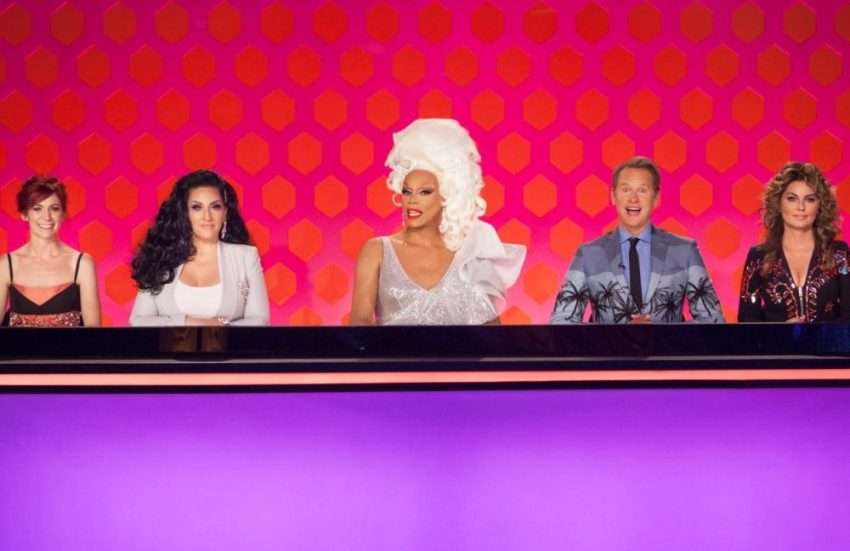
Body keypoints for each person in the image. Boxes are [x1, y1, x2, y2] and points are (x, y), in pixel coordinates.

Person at [350, 118, 526, 325]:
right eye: (407, 191)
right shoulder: (377, 251)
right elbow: (359, 327)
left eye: (424, 192)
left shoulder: (471, 252)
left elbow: (492, 332)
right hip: (391, 349)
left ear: (445, 195)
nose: (412, 200)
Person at [550, 156, 724, 324]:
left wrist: (661, 335)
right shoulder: (588, 254)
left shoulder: (685, 250)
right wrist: (617, 336)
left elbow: (713, 320)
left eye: (642, 190)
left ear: (656, 197)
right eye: (626, 190)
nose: (633, 199)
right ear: (613, 196)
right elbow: (561, 322)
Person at [130, 170, 269, 326]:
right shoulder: (161, 257)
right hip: (169, 344)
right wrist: (188, 322)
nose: (207, 217)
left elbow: (259, 321)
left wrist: (219, 329)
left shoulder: (246, 257)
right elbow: (138, 321)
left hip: (230, 344)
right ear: (184, 213)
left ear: (225, 213)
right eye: (197, 207)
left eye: (215, 207)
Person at [738, 162, 850, 322]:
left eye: (810, 199)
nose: (801, 207)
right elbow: (747, 320)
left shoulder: (839, 253)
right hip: (777, 340)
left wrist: (818, 334)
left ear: (820, 206)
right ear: (778, 203)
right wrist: (781, 333)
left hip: (829, 339)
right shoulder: (758, 256)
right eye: (792, 198)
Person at [0, 176, 100, 327]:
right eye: (37, 209)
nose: (46, 217)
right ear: (24, 214)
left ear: (63, 213)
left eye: (54, 208)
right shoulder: (6, 265)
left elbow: (94, 334)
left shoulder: (82, 264)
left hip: (73, 344)